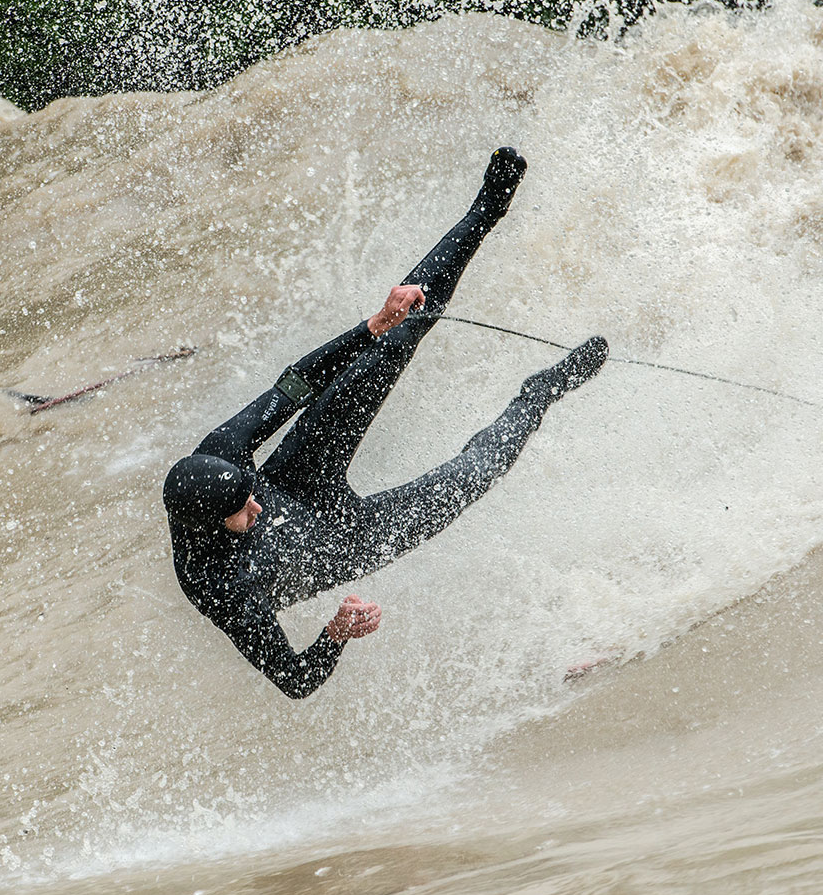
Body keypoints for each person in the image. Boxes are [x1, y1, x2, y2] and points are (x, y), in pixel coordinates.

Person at [162, 148, 608, 698]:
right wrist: (335, 633)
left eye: (246, 495)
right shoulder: (219, 589)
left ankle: (485, 210)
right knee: (470, 477)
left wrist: (371, 325)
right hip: (343, 542)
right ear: (210, 524)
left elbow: (295, 384)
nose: (253, 506)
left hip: (299, 476)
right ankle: (540, 394)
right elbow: (294, 681)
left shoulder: (222, 453)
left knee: (400, 327)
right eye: (241, 510)